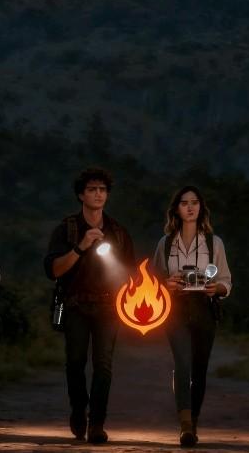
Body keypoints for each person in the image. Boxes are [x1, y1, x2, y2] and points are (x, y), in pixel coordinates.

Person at [44, 166, 134, 444]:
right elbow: (54, 270)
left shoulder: (118, 232)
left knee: (103, 366)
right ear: (81, 195)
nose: (98, 194)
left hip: (109, 307)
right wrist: (81, 246)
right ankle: (78, 410)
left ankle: (97, 423)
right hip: (75, 305)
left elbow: (130, 275)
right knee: (75, 362)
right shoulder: (67, 229)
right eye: (92, 189)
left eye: (102, 190)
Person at [152, 185, 231, 447]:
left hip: (204, 307)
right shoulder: (165, 244)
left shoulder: (213, 242)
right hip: (175, 309)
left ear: (201, 208)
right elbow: (153, 281)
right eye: (184, 202)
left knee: (199, 369)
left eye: (194, 202)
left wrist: (214, 288)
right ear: (176, 208)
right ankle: (185, 425)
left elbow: (226, 281)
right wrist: (167, 283)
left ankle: (193, 421)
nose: (189, 207)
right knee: (182, 364)